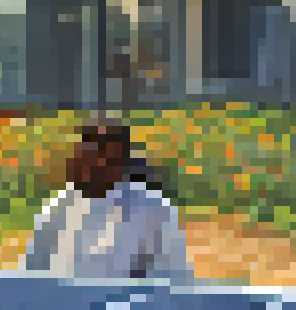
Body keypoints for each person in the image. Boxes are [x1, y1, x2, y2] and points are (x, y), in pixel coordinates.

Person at [22, 119, 193, 280]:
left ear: (118, 163)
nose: (77, 160)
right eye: (81, 150)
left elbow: (174, 280)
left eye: (95, 153)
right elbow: (32, 273)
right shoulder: (59, 205)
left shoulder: (153, 209)